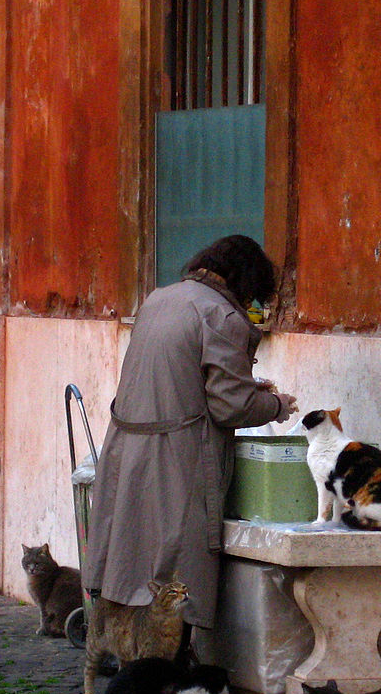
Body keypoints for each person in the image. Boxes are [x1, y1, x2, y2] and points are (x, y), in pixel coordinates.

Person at [83, 235, 298, 640]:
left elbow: (186, 375)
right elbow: (229, 406)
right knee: (174, 557)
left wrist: (249, 388)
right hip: (177, 453)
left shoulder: (160, 298)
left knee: (130, 554)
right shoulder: (220, 315)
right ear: (247, 281)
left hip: (128, 444)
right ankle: (165, 663)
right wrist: (274, 406)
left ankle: (123, 647)